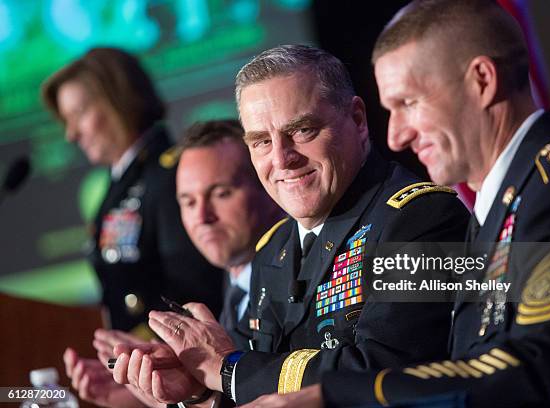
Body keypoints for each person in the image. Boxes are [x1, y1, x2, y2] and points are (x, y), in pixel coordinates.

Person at [242, 1, 550, 407]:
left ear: (482, 81)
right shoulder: (505, 206)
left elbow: (538, 368)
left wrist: (329, 395)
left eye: (409, 103)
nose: (397, 136)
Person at [112, 44, 470, 406]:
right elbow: (249, 384)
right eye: (262, 142)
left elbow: (385, 372)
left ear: (358, 120)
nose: (282, 159)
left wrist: (227, 369)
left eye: (302, 130)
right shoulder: (273, 248)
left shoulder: (422, 218)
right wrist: (199, 388)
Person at [62, 119, 285, 407]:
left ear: (268, 188)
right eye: (188, 201)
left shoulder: (291, 279)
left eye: (220, 193)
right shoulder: (230, 289)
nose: (202, 217)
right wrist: (148, 395)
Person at [41, 47, 224, 333]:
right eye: (67, 120)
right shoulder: (122, 180)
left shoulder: (169, 175)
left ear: (121, 100)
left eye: (79, 114)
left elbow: (193, 289)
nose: (71, 133)